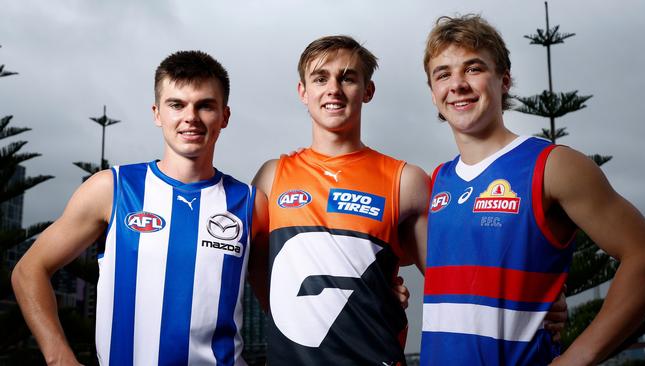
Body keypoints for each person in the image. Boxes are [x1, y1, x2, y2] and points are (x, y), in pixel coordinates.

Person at [11, 50, 268, 366]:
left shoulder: (250, 203)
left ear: (224, 116)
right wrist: (60, 358)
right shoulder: (112, 188)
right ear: (157, 113)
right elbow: (28, 270)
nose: (191, 117)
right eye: (177, 104)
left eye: (205, 105)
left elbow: (277, 305)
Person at [420, 14, 645, 365]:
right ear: (433, 92)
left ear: (504, 80)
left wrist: (577, 358)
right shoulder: (436, 182)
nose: (457, 84)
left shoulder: (552, 166)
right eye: (443, 74)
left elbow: (644, 255)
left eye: (473, 68)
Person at [252, 35, 430, 365]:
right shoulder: (271, 177)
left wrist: (538, 304)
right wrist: (294, 311)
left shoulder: (406, 181)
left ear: (368, 90)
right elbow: (252, 265)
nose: (333, 88)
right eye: (321, 78)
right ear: (303, 92)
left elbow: (451, 278)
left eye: (347, 77)